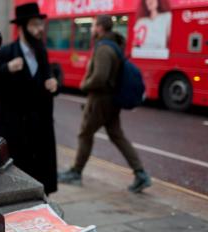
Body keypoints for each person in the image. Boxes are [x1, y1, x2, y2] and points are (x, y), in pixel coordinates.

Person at [58, 15, 152, 193]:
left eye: (93, 25)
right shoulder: (114, 45)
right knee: (117, 135)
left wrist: (84, 85)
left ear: (100, 27)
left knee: (85, 133)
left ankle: (76, 172)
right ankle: (140, 174)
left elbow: (100, 77)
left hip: (100, 99)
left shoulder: (103, 48)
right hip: (112, 99)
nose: (92, 29)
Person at [0, 3, 59, 195]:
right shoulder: (6, 53)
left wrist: (53, 84)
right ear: (22, 27)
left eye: (40, 25)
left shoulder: (42, 53)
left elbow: (48, 80)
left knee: (40, 177)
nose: (39, 30)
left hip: (40, 128)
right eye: (35, 25)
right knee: (19, 177)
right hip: (15, 127)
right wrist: (7, 69)